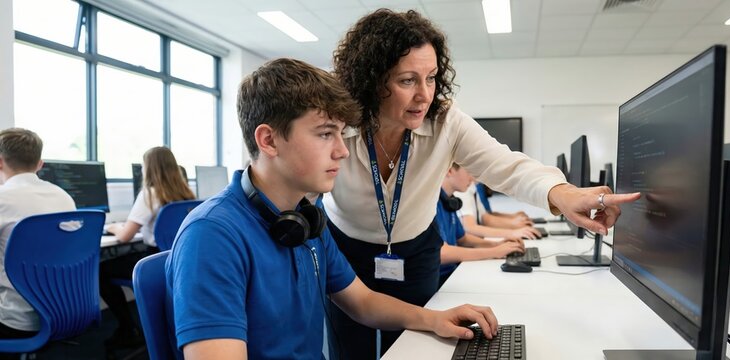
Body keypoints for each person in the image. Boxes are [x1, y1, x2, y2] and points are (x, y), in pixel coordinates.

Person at [324, 8, 640, 357]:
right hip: (345, 253)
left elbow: (505, 165)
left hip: (415, 253)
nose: (424, 95)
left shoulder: (445, 121)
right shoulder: (339, 124)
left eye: (431, 78)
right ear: (372, 81)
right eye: (407, 80)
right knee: (352, 349)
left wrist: (562, 194)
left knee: (418, 349)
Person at [165, 58, 500, 360]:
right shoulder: (212, 236)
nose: (342, 151)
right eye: (326, 134)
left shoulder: (307, 221)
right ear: (268, 141)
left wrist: (435, 319)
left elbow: (362, 302)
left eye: (341, 134)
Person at [100, 146, 196, 349]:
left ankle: (128, 329)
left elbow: (126, 236)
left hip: (154, 261)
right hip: (178, 259)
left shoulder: (150, 194)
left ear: (150, 168)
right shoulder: (187, 194)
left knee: (101, 270)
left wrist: (115, 227)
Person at [0, 128, 76, 339]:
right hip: (63, 307)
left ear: (0, 162)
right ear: (40, 164)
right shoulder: (63, 196)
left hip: (16, 317)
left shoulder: (3, 198)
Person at [437, 164, 524, 285]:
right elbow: (442, 252)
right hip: (440, 280)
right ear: (450, 171)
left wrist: (495, 244)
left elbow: (463, 239)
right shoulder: (433, 203)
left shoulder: (449, 201)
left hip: (453, 272)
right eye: (468, 171)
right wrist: (493, 252)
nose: (472, 178)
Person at [454, 182, 542, 240]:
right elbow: (470, 227)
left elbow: (484, 216)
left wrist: (512, 218)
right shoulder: (463, 190)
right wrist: (513, 231)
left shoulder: (472, 187)